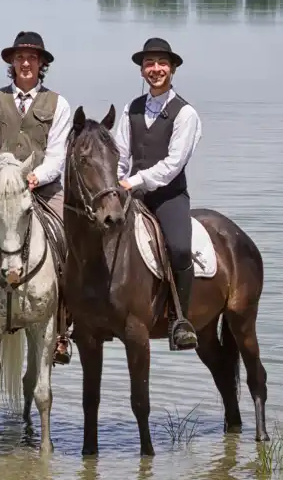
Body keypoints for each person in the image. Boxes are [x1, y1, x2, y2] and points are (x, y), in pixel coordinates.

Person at [0, 30, 74, 364]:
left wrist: (37, 176)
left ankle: (64, 329)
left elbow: (57, 154)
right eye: (20, 57)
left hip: (44, 187)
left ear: (41, 64)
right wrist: (3, 176)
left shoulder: (59, 104)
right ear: (11, 62)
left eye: (32, 58)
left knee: (73, 243)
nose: (25, 63)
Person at [112, 37, 202, 351]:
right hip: (131, 193)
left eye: (162, 63)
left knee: (178, 248)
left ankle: (181, 319)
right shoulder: (131, 109)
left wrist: (133, 181)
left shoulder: (185, 113)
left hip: (169, 196)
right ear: (142, 70)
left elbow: (172, 165)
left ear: (173, 68)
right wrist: (117, 181)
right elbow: (121, 154)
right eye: (149, 63)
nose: (155, 69)